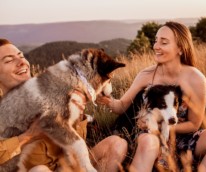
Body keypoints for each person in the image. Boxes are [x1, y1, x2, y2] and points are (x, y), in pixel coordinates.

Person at [97, 21, 206, 172]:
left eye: (163, 42)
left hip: (183, 138)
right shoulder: (146, 75)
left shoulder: (195, 78)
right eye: (156, 41)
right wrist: (108, 101)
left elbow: (194, 124)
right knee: (148, 140)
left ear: (180, 48)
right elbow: (122, 105)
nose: (156, 46)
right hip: (150, 136)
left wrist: (162, 127)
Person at [0, 38, 128, 172]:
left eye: (21, 56)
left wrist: (78, 113)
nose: (21, 62)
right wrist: (27, 135)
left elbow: (73, 139)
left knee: (117, 144)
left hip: (64, 166)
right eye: (9, 60)